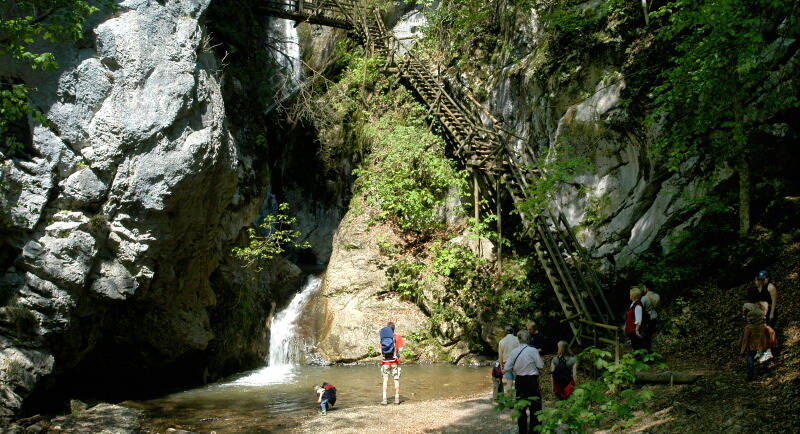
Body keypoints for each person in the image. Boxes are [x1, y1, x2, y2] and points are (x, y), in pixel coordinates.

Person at [504, 330, 544, 434]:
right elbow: (541, 365)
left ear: (519, 340)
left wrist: (516, 369)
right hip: (532, 381)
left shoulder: (514, 352)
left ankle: (522, 430)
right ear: (529, 339)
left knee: (521, 407)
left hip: (520, 381)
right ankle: (535, 431)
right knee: (535, 406)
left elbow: (507, 367)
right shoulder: (533, 350)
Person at [739, 302, 778, 380]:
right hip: (763, 347)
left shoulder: (748, 328)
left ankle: (750, 375)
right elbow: (772, 335)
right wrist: (774, 345)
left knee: (750, 359)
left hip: (752, 347)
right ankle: (764, 372)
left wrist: (742, 350)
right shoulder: (766, 327)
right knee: (763, 359)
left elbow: (745, 340)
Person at [379, 322, 405, 405]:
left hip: (385, 362)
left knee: (385, 380)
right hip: (395, 362)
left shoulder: (384, 337)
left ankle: (384, 399)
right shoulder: (398, 337)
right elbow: (401, 349)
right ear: (394, 329)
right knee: (396, 380)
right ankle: (397, 398)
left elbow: (379, 350)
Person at [625, 287, 648, 353]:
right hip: (632, 330)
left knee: (637, 346)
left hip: (635, 330)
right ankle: (638, 359)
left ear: (633, 296)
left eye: (630, 295)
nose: (629, 296)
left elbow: (639, 319)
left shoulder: (638, 306)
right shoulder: (633, 304)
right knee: (635, 346)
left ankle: (639, 360)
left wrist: (637, 330)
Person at [497, 325, 520, 393]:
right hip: (516, 363)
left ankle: (508, 400)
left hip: (506, 364)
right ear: (513, 331)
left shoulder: (501, 341)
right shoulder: (517, 339)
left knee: (509, 382)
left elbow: (500, 356)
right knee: (517, 382)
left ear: (505, 332)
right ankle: (517, 400)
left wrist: (501, 368)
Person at [641, 281, 661, 351]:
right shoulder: (657, 296)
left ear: (647, 288)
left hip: (647, 318)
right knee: (650, 335)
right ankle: (649, 350)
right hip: (655, 317)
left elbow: (641, 309)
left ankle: (647, 351)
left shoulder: (644, 298)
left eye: (644, 287)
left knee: (646, 336)